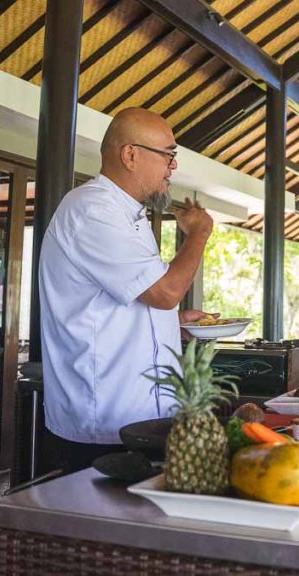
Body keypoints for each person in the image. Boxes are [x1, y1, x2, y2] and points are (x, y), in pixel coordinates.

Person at [38, 108, 216, 474]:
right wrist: (199, 233)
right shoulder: (92, 210)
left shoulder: (127, 214)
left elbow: (127, 303)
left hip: (141, 417)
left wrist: (174, 323)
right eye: (168, 154)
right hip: (104, 419)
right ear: (130, 155)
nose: (173, 166)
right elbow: (165, 292)